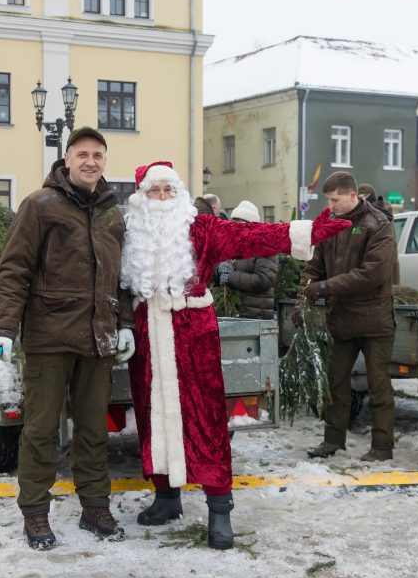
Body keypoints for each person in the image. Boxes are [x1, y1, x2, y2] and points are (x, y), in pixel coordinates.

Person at [121, 162, 350, 549]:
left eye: (168, 191)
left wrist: (308, 230)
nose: (161, 198)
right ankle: (166, 497)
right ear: (141, 197)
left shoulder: (204, 229)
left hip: (194, 332)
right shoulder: (131, 233)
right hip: (148, 334)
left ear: (179, 196)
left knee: (206, 420)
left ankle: (219, 509)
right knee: (151, 415)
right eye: (153, 191)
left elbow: (254, 236)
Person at [0, 126, 135, 550]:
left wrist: (124, 322)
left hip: (98, 338)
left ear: (105, 161)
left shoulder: (113, 213)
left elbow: (123, 277)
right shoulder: (41, 205)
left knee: (93, 430)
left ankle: (95, 506)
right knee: (39, 430)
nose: (91, 162)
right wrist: (5, 328)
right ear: (67, 158)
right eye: (83, 154)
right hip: (50, 337)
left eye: (98, 155)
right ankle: (35, 513)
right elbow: (13, 269)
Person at [298, 171, 397, 463]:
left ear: (353, 196)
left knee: (378, 384)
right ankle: (333, 440)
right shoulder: (330, 224)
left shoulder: (378, 225)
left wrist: (325, 288)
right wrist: (301, 298)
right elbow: (313, 266)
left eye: (335, 199)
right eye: (329, 200)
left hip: (375, 320)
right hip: (342, 318)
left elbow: (373, 273)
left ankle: (382, 446)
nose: (331, 205)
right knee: (335, 380)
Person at [215, 200, 279, 320]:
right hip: (232, 313)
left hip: (255, 316)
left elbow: (263, 280)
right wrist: (219, 271)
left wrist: (230, 277)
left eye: (238, 224)